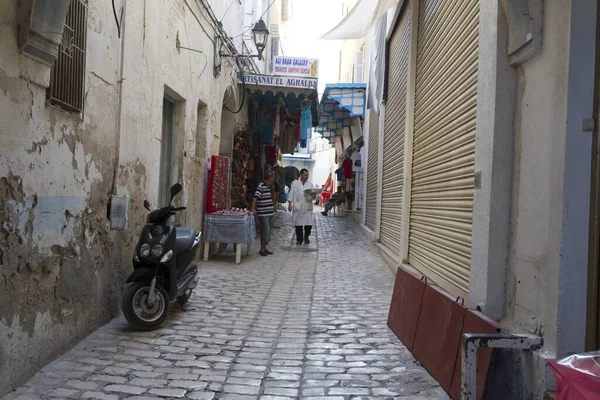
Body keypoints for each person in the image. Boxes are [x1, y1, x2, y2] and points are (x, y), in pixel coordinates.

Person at [251, 169, 276, 257]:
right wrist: (253, 209)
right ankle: (262, 249)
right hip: (264, 213)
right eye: (272, 177)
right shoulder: (261, 186)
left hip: (269, 213)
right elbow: (255, 198)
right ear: (269, 177)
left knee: (268, 231)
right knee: (265, 231)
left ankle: (264, 248)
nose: (273, 179)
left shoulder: (267, 186)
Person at [288, 168, 316, 245]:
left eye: (308, 175)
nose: (307, 177)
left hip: (307, 206)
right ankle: (299, 239)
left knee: (308, 224)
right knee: (298, 224)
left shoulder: (310, 184)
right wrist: (290, 204)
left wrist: (314, 195)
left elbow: (313, 194)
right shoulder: (295, 183)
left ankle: (306, 237)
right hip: (298, 205)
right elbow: (291, 193)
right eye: (305, 175)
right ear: (301, 175)